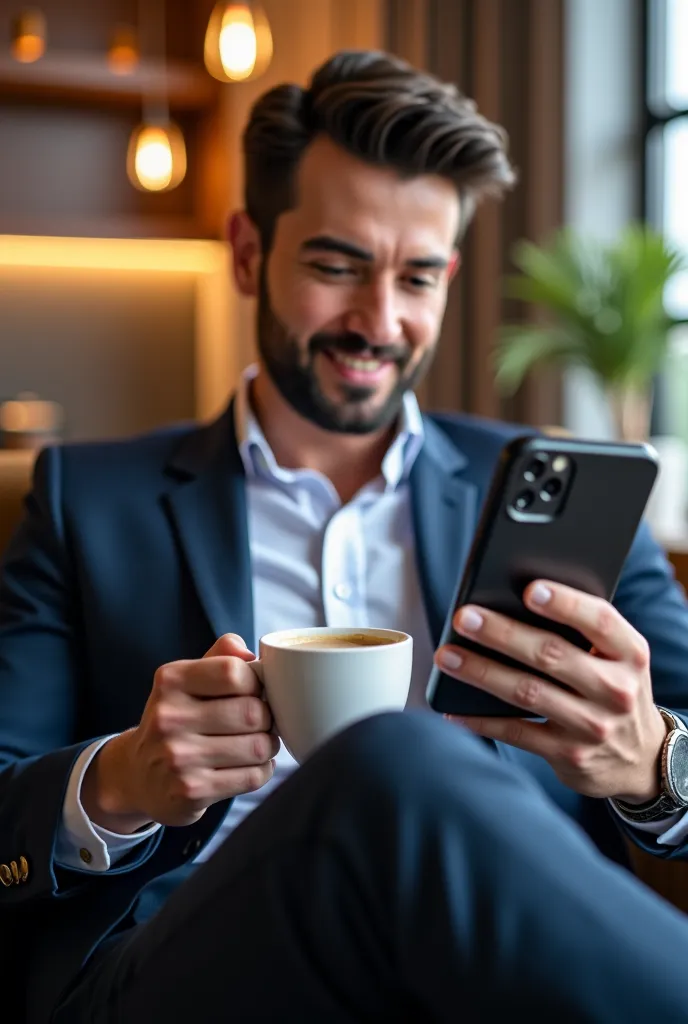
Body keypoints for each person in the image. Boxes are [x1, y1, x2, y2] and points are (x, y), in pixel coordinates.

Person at [2, 49, 688, 1023]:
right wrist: (123, 778)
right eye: (337, 265)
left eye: (418, 277)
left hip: (480, 969)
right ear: (247, 252)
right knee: (391, 760)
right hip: (172, 962)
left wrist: (654, 759)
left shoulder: (556, 494)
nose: (379, 320)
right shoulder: (84, 501)